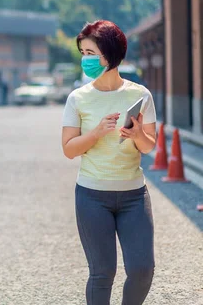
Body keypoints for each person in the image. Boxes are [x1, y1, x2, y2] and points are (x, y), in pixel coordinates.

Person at [61, 20, 157, 305]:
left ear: (111, 54)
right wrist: (96, 133)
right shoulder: (77, 98)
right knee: (102, 272)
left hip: (134, 196)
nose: (86, 60)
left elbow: (149, 146)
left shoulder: (140, 95)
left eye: (92, 53)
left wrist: (138, 133)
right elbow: (68, 149)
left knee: (142, 270)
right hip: (92, 197)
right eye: (83, 53)